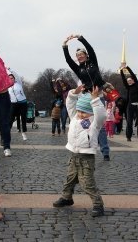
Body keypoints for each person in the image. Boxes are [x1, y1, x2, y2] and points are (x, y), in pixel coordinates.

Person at [53, 85, 106, 217]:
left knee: (87, 182)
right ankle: (67, 197)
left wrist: (94, 99)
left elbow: (100, 113)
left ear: (91, 113)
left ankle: (98, 204)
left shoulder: (95, 122)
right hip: (74, 153)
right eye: (79, 111)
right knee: (70, 178)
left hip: (86, 156)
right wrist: (74, 93)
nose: (81, 114)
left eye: (84, 112)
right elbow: (70, 104)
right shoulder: (74, 117)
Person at [62, 34, 110, 161]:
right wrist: (65, 46)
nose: (79, 56)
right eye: (78, 56)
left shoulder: (93, 62)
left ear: (86, 55)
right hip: (86, 97)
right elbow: (68, 60)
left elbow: (91, 49)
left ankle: (105, 151)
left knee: (100, 123)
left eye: (81, 54)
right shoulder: (79, 69)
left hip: (98, 94)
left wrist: (80, 38)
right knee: (86, 123)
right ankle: (85, 146)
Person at [120, 66, 138, 142]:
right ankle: (128, 136)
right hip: (130, 106)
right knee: (129, 122)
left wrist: (127, 68)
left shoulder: (136, 85)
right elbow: (123, 79)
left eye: (130, 80)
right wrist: (121, 71)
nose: (129, 82)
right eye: (128, 81)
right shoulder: (128, 87)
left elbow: (133, 75)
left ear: (133, 80)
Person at [8, 71, 28, 141]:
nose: (11, 79)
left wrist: (11, 70)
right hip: (13, 103)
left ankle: (24, 133)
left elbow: (17, 75)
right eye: (9, 78)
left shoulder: (18, 83)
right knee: (11, 118)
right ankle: (8, 132)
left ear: (14, 78)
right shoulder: (8, 86)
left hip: (23, 103)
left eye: (12, 78)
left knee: (23, 118)